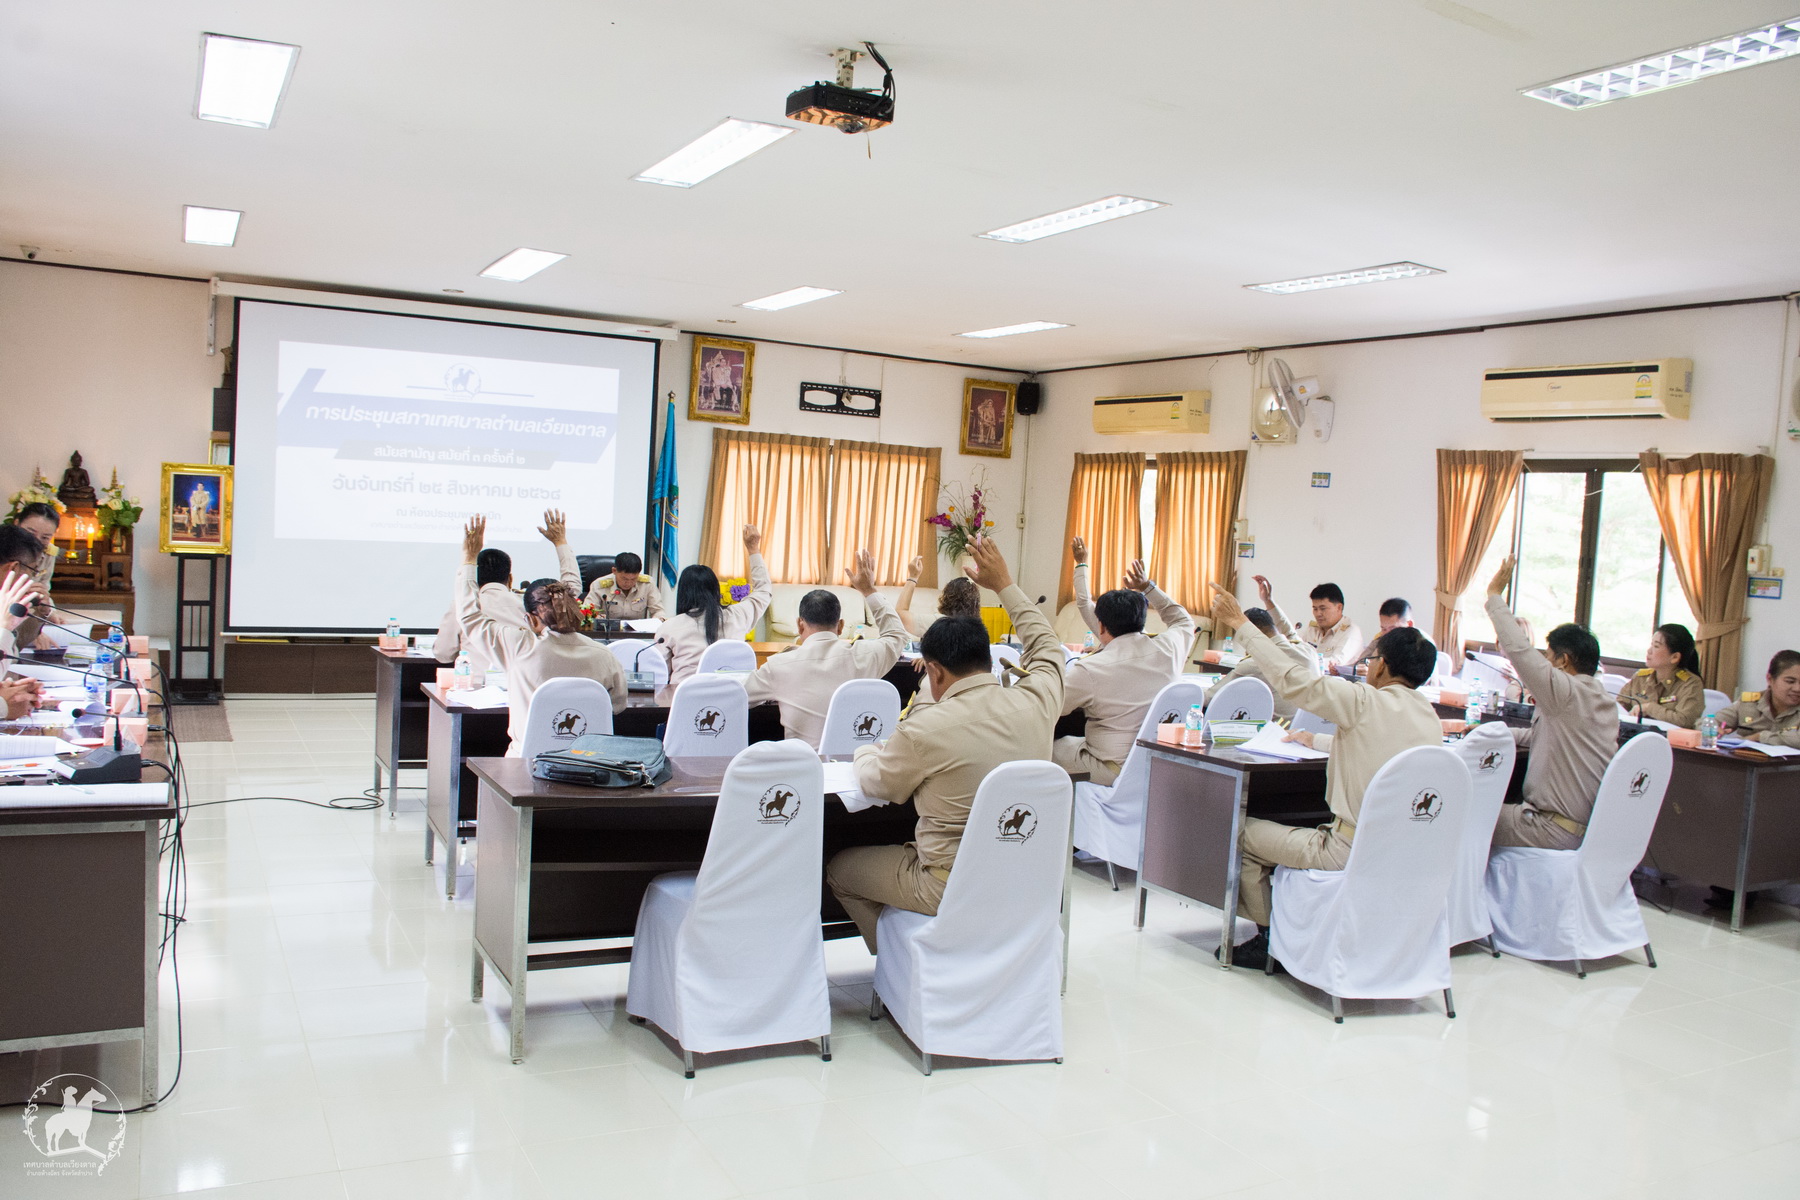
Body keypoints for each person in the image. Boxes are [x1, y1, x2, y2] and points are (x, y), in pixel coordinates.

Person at [826, 535, 1064, 951]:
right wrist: (1004, 583)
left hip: (948, 885)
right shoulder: (1039, 700)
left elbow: (875, 783)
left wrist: (865, 750)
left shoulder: (925, 729)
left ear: (933, 672)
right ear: (988, 659)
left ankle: (905, 961)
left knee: (840, 869)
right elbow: (1047, 645)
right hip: (1024, 878)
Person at [1208, 582, 1442, 967]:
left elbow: (1293, 679)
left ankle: (1267, 939)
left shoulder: (1363, 701)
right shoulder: (1429, 717)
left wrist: (1239, 623)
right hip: (1403, 850)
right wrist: (1314, 740)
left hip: (1346, 850)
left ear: (1382, 665)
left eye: (1372, 660)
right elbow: (1379, 750)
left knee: (1241, 832)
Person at [457, 516, 625, 754]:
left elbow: (469, 617)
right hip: (588, 762)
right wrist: (561, 542)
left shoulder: (520, 646)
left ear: (531, 619)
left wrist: (469, 559)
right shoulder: (604, 655)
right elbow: (617, 706)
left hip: (526, 763)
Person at [1483, 556, 1617, 849]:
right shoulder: (1601, 700)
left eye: (1548, 657)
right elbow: (1543, 737)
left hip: (1548, 829)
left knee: (1461, 810)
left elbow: (1519, 650)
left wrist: (1494, 596)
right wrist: (1491, 732)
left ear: (1563, 661)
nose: (1544, 662)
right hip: (1584, 833)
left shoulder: (1566, 693)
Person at [1056, 539, 1195, 785]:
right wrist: (1148, 587)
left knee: (1048, 746)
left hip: (1112, 769)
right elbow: (1183, 621)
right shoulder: (1169, 648)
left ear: (1100, 625)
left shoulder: (1090, 669)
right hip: (1158, 764)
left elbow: (1052, 705)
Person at [745, 549, 906, 747]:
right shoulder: (866, 655)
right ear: (840, 626)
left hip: (804, 761)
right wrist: (869, 591)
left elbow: (740, 697)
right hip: (856, 761)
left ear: (800, 625)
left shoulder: (778, 665)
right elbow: (897, 636)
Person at [651, 525, 772, 702]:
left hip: (684, 702)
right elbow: (764, 590)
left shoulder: (669, 627)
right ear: (716, 590)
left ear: (683, 593)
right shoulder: (738, 616)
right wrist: (753, 549)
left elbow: (659, 674)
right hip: (731, 701)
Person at [1213, 606, 1320, 721]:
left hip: (1277, 730)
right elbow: (1290, 634)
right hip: (1309, 728)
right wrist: (1269, 601)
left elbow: (1211, 697)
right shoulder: (1309, 651)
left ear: (1252, 633)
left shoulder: (1253, 664)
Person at [1256, 575, 1365, 669]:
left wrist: (1304, 659)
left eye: (1323, 608)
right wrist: (1268, 601)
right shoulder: (1313, 629)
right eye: (1315, 609)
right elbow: (1293, 643)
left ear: (1339, 608)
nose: (1318, 614)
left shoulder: (1351, 632)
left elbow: (1335, 663)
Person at [1618, 624, 1704, 728]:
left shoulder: (1691, 683)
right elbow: (1619, 707)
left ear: (1675, 657)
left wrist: (1649, 708)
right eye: (1651, 644)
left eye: (1656, 646)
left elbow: (1685, 721)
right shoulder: (1640, 678)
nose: (1649, 650)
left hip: (1671, 737)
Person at [1718, 650, 1800, 748]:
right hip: (1747, 757)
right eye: (1790, 681)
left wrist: (1759, 737)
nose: (1797, 689)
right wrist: (1712, 729)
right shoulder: (1749, 703)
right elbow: (1711, 722)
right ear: (1770, 679)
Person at [583, 551, 665, 622]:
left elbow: (658, 611)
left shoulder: (647, 584)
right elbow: (587, 613)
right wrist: (596, 618)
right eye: (624, 579)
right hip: (607, 632)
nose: (628, 583)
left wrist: (658, 619)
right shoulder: (599, 585)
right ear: (614, 571)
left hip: (637, 632)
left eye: (633, 579)